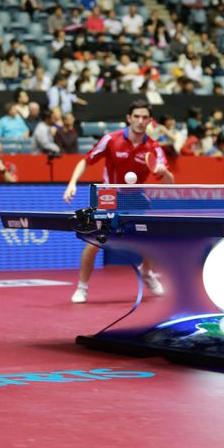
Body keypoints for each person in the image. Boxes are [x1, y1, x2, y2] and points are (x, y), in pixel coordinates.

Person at [63, 100, 174, 304]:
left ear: (150, 120)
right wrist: (72, 183)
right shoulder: (111, 140)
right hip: (110, 195)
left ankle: (147, 272)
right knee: (94, 241)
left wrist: (163, 171)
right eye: (137, 117)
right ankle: (82, 287)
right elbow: (85, 161)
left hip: (136, 195)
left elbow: (170, 182)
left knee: (155, 236)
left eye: (144, 117)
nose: (140, 121)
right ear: (129, 118)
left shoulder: (154, 147)